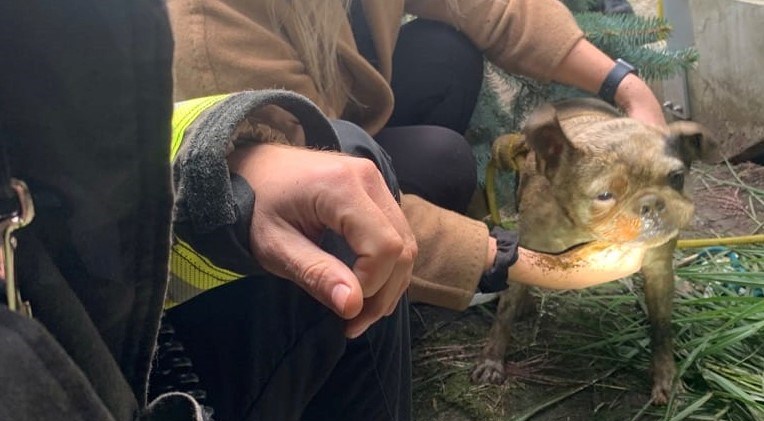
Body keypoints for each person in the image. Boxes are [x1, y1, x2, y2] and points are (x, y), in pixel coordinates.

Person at [0, 1, 585, 421]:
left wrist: (219, 162)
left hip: (95, 365)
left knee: (389, 125)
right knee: (340, 210)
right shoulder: (208, 19)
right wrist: (500, 256)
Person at [166, 0, 665, 311]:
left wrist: (625, 85)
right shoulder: (213, 21)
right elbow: (296, 192)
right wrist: (524, 263)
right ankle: (355, 303)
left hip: (335, 118)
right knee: (442, 162)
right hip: (265, 215)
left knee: (444, 53)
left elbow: (495, 8)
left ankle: (406, 270)